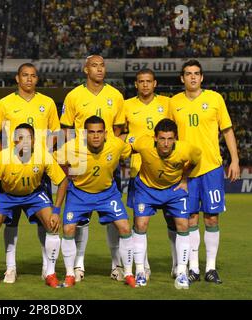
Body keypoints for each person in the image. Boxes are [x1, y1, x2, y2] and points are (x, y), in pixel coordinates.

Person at [0, 63, 61, 283]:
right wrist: (5, 156)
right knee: (10, 221)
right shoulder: (5, 103)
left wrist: (42, 153)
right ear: (17, 78)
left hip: (37, 169)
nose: (29, 79)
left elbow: (56, 132)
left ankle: (47, 267)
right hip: (11, 169)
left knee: (44, 221)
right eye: (25, 76)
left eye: (33, 76)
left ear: (37, 79)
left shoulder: (47, 103)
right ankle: (11, 267)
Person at [169, 59, 240, 284]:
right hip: (185, 172)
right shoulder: (174, 103)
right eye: (188, 73)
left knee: (211, 218)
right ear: (182, 78)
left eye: (196, 73)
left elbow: (227, 131)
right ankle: (193, 268)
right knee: (189, 219)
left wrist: (235, 160)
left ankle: (210, 268)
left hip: (211, 168)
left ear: (202, 78)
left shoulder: (215, 99)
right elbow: (168, 137)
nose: (192, 77)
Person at [60, 55, 125, 282]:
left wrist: (112, 156)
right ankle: (78, 264)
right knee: (80, 218)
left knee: (113, 218)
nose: (99, 69)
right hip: (80, 162)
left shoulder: (115, 96)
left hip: (106, 161)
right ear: (85, 69)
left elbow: (118, 132)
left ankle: (116, 264)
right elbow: (66, 130)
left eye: (102, 65)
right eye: (95, 65)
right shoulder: (73, 96)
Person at [0, 123, 67, 288]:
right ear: (14, 141)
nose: (24, 142)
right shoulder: (3, 157)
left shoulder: (43, 156)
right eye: (20, 138)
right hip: (6, 196)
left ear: (34, 140)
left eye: (28, 138)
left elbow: (62, 181)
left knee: (53, 225)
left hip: (34, 195)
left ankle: (50, 273)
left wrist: (56, 211)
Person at [56, 116, 136, 288]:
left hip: (107, 194)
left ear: (106, 133)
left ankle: (128, 273)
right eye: (91, 132)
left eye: (99, 132)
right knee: (68, 228)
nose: (96, 136)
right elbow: (55, 162)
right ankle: (70, 273)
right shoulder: (72, 147)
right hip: (79, 194)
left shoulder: (116, 145)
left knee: (125, 227)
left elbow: (130, 151)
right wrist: (68, 172)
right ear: (85, 134)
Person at [130, 119, 201, 289]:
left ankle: (182, 273)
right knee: (140, 224)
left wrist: (184, 178)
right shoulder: (143, 144)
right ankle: (140, 271)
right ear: (155, 138)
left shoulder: (187, 149)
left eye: (170, 139)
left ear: (176, 138)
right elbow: (126, 147)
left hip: (173, 189)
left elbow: (196, 160)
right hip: (146, 188)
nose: (166, 143)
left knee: (183, 225)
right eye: (162, 138)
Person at [123, 69, 171, 279]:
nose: (144, 85)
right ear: (136, 84)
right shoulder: (126, 105)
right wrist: (130, 141)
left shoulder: (167, 104)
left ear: (155, 83)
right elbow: (120, 133)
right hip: (138, 171)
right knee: (140, 222)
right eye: (141, 81)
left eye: (148, 81)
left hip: (167, 171)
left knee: (175, 221)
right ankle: (143, 265)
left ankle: (179, 265)